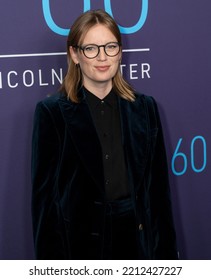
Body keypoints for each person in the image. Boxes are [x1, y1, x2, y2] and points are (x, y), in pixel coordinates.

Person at [31, 9, 178, 260]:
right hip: (79, 249)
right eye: (91, 48)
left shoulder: (145, 108)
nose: (102, 57)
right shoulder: (52, 113)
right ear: (75, 54)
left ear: (120, 52)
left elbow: (158, 196)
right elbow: (45, 203)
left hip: (137, 244)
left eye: (110, 46)